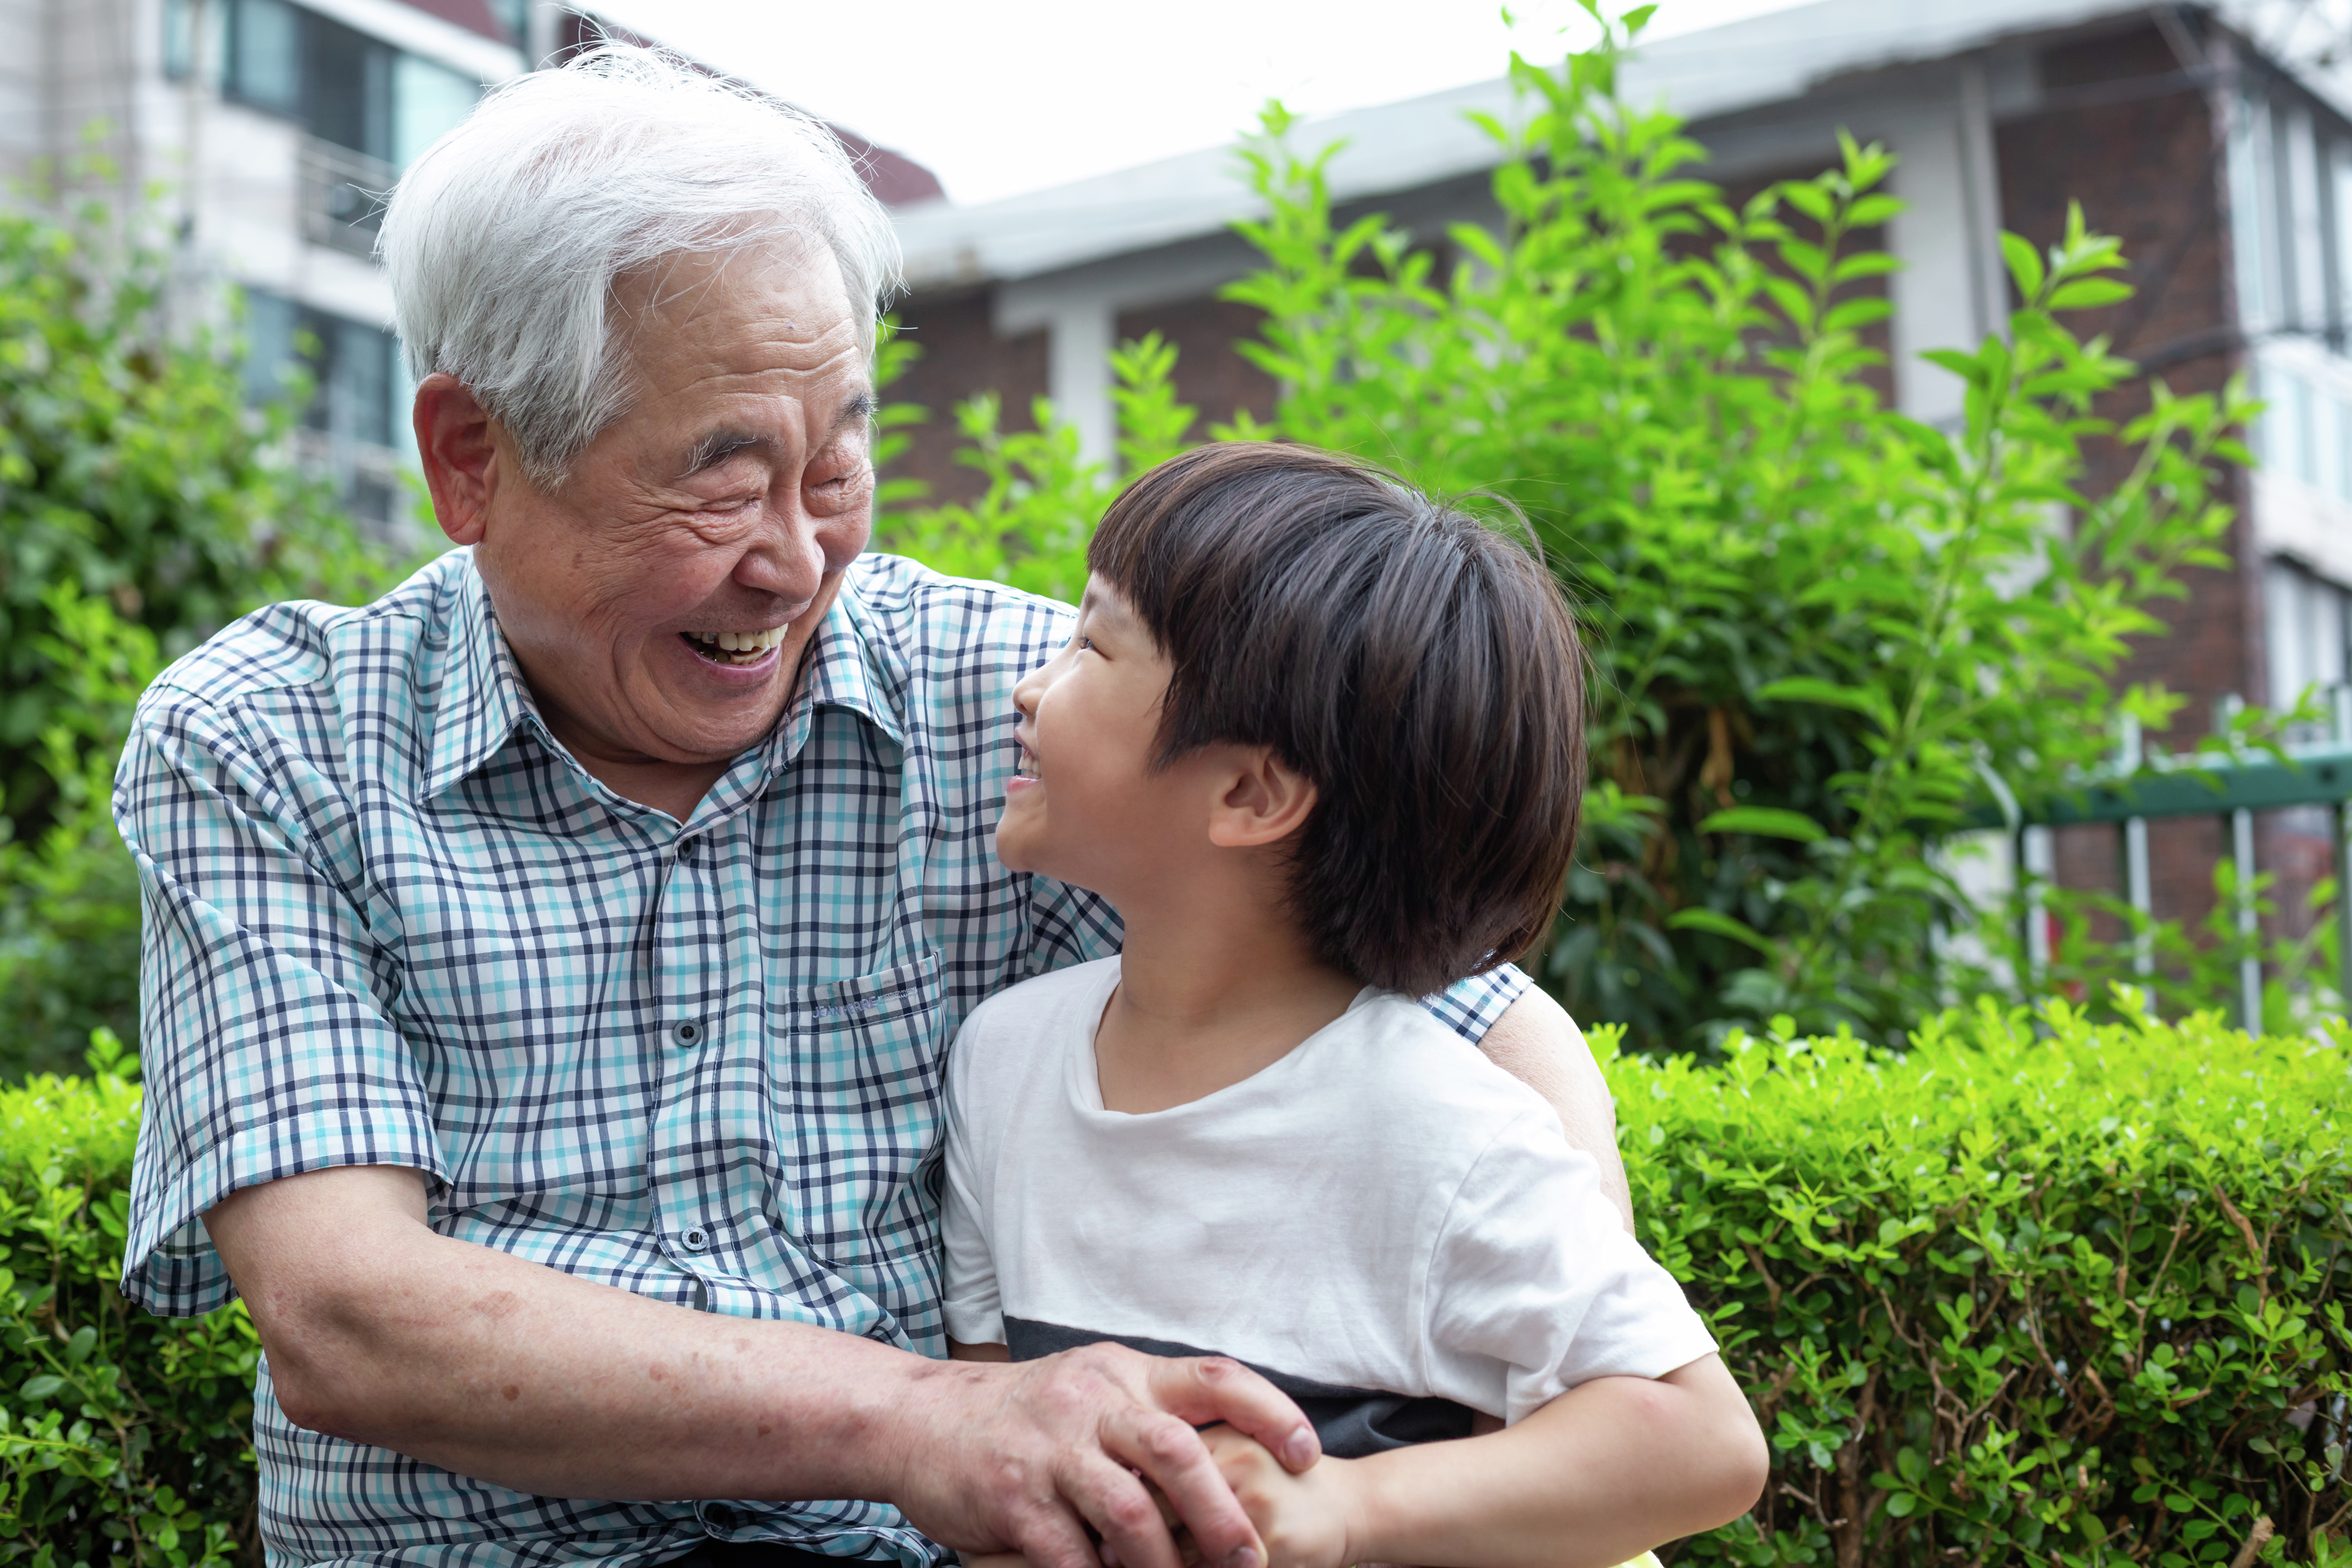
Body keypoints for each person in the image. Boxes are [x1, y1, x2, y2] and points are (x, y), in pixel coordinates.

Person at [110, 42, 1635, 1568]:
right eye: (721, 476)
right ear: (472, 458)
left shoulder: (1009, 706)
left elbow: (1470, 1019)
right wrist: (921, 1422)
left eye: (834, 456)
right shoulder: (274, 742)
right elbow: (350, 1316)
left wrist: (1545, 1382)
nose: (792, 559)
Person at [940, 444, 1768, 1568]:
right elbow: (996, 1426)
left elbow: (1704, 1443)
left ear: (1250, 792)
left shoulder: (1442, 1130)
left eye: (1092, 644)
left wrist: (1347, 1509)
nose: (1030, 687)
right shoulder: (1004, 1064)